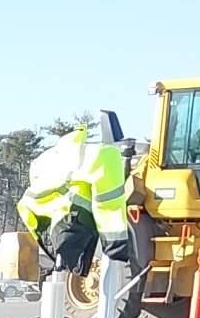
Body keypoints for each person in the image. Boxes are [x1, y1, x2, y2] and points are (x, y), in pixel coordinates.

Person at [17, 113, 133, 277]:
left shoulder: (49, 163)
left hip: (59, 221)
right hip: (71, 218)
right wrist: (116, 246)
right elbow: (109, 204)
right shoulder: (105, 157)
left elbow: (33, 223)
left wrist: (48, 256)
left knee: (62, 266)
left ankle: (59, 269)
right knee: (65, 265)